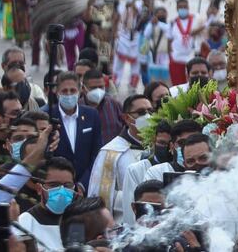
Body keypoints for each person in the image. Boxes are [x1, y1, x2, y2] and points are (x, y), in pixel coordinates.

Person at [87, 94, 152, 223]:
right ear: (127, 118)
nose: (148, 116)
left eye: (150, 111)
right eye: (141, 112)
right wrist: (136, 197)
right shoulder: (111, 152)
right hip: (122, 224)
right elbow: (100, 197)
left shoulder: (159, 146)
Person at [48, 71, 103, 185]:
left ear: (80, 91)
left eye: (72, 90)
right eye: (64, 91)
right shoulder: (48, 116)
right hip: (58, 185)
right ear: (57, 92)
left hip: (86, 184)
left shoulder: (91, 115)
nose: (68, 94)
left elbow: (97, 153)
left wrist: (83, 184)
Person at [17, 157, 80, 252]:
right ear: (39, 188)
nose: (62, 191)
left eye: (67, 185)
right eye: (54, 185)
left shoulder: (81, 220)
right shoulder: (26, 223)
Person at [123, 121, 172, 227]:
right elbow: (130, 210)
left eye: (169, 144)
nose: (166, 148)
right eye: (162, 143)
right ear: (153, 140)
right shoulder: (136, 170)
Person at [80, 68, 123, 146]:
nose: (98, 91)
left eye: (101, 87)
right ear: (83, 89)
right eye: (93, 88)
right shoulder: (77, 108)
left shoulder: (114, 105)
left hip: (112, 155)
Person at [168, 0, 205, 86]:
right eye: (180, 7)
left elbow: (205, 25)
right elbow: (169, 40)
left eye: (185, 6)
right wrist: (170, 56)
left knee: (191, 85)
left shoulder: (196, 19)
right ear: (177, 9)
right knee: (177, 86)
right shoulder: (173, 22)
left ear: (188, 7)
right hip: (176, 58)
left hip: (191, 58)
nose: (183, 9)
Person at [113, 0, 142, 89]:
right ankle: (115, 84)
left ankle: (132, 86)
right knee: (118, 64)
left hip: (135, 37)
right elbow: (116, 19)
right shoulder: (121, 4)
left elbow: (139, 13)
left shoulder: (139, 3)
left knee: (135, 64)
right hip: (123, 36)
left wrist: (133, 5)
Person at [143, 6, 171, 86]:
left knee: (166, 81)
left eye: (163, 13)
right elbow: (146, 34)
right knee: (154, 81)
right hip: (154, 56)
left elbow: (168, 30)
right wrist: (151, 23)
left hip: (166, 57)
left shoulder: (169, 25)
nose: (161, 15)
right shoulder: (151, 25)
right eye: (159, 13)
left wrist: (158, 23)